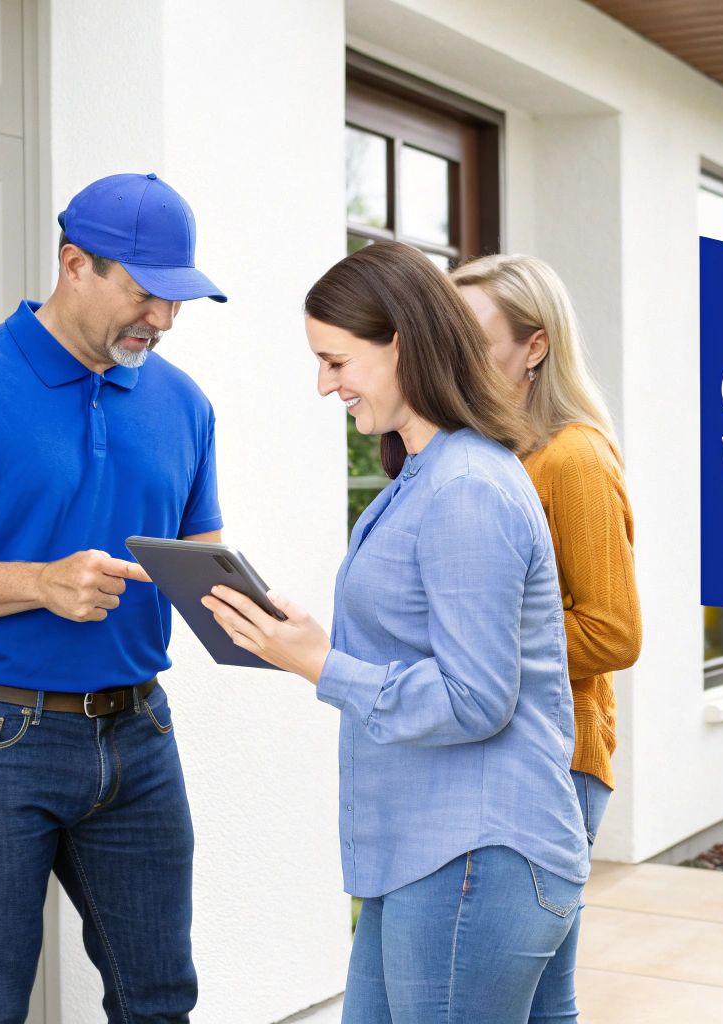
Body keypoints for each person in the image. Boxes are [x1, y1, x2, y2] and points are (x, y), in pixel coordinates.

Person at [0, 172, 227, 1023]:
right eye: (145, 294)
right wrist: (38, 582)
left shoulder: (184, 404)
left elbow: (197, 559)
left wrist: (260, 617)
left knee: (160, 1000)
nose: (163, 321)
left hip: (139, 737)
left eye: (179, 301)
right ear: (74, 264)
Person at [201, 240, 588, 1023]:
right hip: (431, 859)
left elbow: (477, 700)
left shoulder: (466, 488)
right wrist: (300, 643)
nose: (324, 384)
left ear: (401, 344)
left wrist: (322, 666)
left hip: (474, 858)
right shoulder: (427, 474)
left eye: (336, 361)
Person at [453, 254, 642, 1022]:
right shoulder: (499, 454)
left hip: (558, 763)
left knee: (517, 997)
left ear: (535, 347)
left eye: (475, 339)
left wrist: (476, 646)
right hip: (518, 752)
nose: (457, 357)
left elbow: (614, 631)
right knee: (540, 1000)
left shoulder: (574, 458)